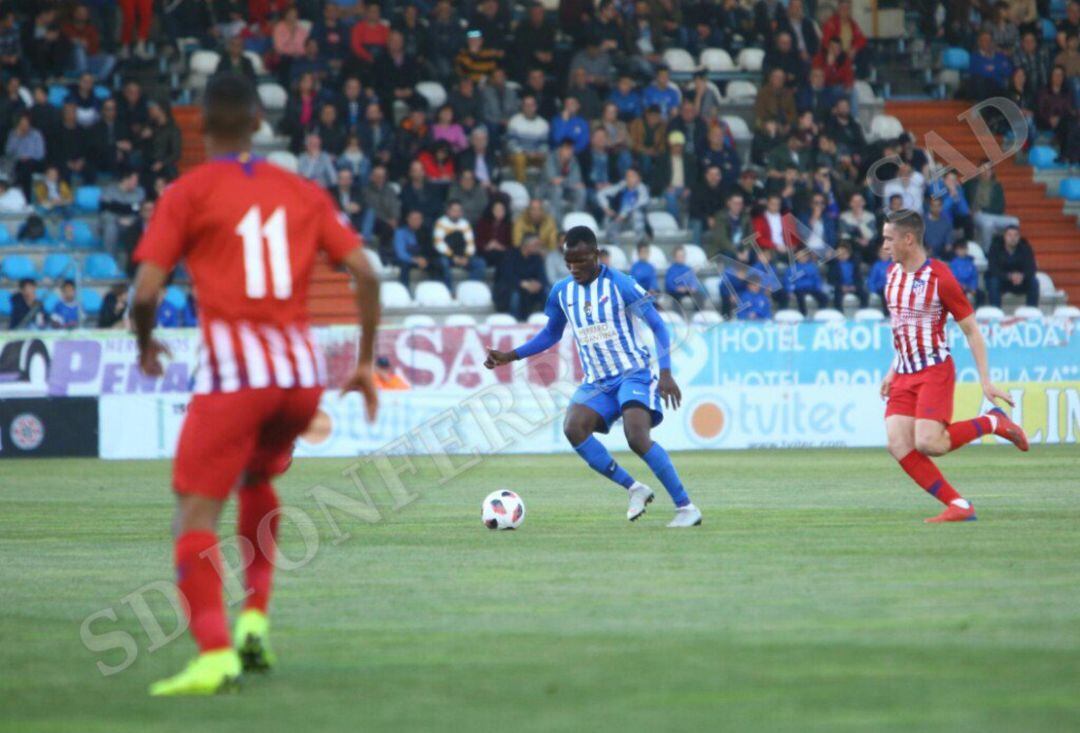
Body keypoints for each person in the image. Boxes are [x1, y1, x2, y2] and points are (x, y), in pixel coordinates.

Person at [131, 74, 380, 697]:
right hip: (299, 376)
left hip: (237, 375)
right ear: (259, 127)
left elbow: (145, 293)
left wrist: (144, 342)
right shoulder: (301, 190)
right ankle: (255, 621)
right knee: (258, 480)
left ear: (203, 127)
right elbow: (364, 273)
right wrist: (366, 361)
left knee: (193, 511)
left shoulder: (187, 192)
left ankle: (214, 655)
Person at [484, 226, 703, 528]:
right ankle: (635, 488)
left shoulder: (621, 284)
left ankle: (686, 508)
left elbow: (659, 326)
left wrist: (665, 372)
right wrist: (511, 356)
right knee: (574, 428)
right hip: (598, 381)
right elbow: (551, 333)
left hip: (633, 373)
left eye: (582, 261)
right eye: (569, 262)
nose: (575, 268)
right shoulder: (562, 291)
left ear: (597, 255)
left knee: (637, 437)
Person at [878, 209, 1028, 524]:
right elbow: (905, 328)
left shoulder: (940, 277)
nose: (884, 245)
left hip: (934, 370)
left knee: (929, 443)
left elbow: (972, 330)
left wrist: (986, 381)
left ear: (908, 239)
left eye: (889, 239)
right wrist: (893, 371)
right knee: (898, 444)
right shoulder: (891, 276)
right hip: (904, 372)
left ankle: (992, 422)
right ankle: (959, 505)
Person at [432, 200, 486, 284]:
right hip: (448, 256)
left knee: (480, 263)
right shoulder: (441, 222)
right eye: (454, 210)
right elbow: (439, 244)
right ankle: (449, 292)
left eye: (459, 210)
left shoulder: (465, 224)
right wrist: (453, 256)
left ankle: (469, 289)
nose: (456, 213)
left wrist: (466, 257)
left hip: (463, 256)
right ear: (448, 211)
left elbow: (470, 243)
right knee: (442, 263)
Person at [986, 225, 1039, 307]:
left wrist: (1022, 276)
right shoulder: (995, 248)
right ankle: (995, 312)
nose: (1013, 238)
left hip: (1020, 281)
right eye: (1009, 235)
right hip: (1003, 281)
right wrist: (1009, 276)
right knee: (993, 282)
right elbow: (992, 268)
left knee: (1034, 282)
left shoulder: (1025, 248)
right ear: (1004, 237)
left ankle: (1031, 312)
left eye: (1015, 235)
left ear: (1019, 237)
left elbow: (1032, 268)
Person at [597, 167, 650, 240]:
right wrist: (606, 208)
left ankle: (640, 244)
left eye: (632, 176)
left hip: (633, 220)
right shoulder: (621, 186)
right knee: (611, 225)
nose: (629, 178)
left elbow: (637, 205)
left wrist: (623, 215)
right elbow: (601, 194)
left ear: (639, 178)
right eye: (627, 176)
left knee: (637, 215)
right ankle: (614, 246)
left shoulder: (642, 190)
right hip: (619, 220)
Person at [826, 241, 867, 309]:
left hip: (853, 287)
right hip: (840, 288)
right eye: (839, 253)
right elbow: (831, 280)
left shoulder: (854, 265)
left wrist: (855, 286)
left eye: (844, 253)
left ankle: (862, 312)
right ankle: (839, 314)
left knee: (864, 295)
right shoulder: (833, 266)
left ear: (849, 254)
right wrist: (841, 287)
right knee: (837, 297)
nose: (842, 255)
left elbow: (858, 278)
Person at [949, 240, 983, 307]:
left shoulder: (971, 262)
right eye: (960, 249)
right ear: (956, 251)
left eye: (964, 249)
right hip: (959, 287)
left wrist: (973, 287)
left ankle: (978, 312)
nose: (962, 251)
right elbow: (954, 278)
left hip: (970, 287)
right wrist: (963, 286)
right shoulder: (954, 263)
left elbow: (974, 276)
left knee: (981, 294)